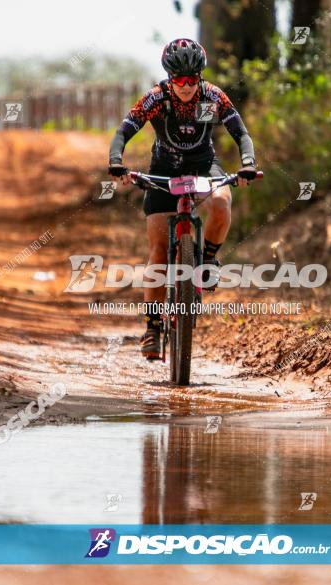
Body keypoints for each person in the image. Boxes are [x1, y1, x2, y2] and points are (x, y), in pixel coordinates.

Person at [107, 38, 258, 359]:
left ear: (200, 77)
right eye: (180, 80)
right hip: (163, 170)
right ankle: (151, 326)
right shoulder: (156, 98)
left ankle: (209, 260)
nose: (187, 86)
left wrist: (248, 165)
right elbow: (123, 131)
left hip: (204, 165)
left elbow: (241, 133)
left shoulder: (213, 96)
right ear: (169, 77)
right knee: (159, 252)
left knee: (221, 202)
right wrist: (117, 162)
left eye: (192, 79)